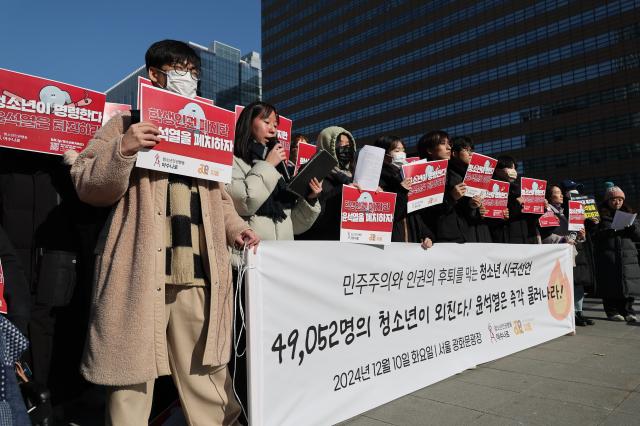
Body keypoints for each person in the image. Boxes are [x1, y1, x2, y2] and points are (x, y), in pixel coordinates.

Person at [66, 39, 259, 425]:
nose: (188, 78)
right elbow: (87, 182)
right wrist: (124, 148)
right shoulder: (123, 124)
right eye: (179, 69)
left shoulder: (202, 131)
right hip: (137, 275)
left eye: (194, 73)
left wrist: (238, 229)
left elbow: (218, 198)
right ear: (154, 75)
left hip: (198, 276)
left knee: (207, 377)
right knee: (129, 382)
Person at [226, 102, 321, 241]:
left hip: (281, 257)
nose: (273, 130)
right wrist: (268, 165)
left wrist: (310, 199)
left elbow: (293, 224)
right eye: (267, 122)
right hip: (250, 252)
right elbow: (244, 203)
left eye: (275, 125)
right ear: (248, 123)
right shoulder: (232, 159)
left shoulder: (280, 168)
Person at [297, 126, 356, 241]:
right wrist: (342, 191)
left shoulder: (353, 176)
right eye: (340, 143)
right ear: (327, 144)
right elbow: (308, 215)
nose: (345, 148)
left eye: (348, 144)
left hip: (346, 243)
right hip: (320, 243)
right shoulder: (313, 170)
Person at [417, 130, 477, 243]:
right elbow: (424, 213)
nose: (449, 147)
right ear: (429, 150)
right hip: (437, 239)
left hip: (463, 236)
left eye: (449, 144)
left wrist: (472, 205)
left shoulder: (454, 174)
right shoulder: (420, 175)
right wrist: (451, 197)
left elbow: (463, 210)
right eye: (443, 143)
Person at [374, 136, 433, 248]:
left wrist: (426, 234)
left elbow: (415, 212)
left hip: (412, 242)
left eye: (403, 150)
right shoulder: (377, 180)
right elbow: (387, 216)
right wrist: (401, 191)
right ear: (384, 154)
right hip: (389, 246)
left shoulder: (405, 177)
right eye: (396, 150)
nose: (401, 153)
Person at [594, 185, 640, 322]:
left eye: (620, 199)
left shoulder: (629, 214)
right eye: (614, 199)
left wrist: (633, 230)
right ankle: (612, 311)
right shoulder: (600, 216)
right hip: (608, 256)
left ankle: (629, 311)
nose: (617, 202)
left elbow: (638, 236)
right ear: (607, 201)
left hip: (627, 256)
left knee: (628, 284)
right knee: (610, 284)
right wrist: (610, 232)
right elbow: (594, 235)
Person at [560, 180, 597, 326]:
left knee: (580, 282)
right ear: (565, 193)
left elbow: (589, 231)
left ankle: (579, 312)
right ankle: (572, 313)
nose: (575, 193)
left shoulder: (583, 206)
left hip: (582, 247)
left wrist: (592, 223)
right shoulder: (562, 209)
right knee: (572, 282)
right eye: (571, 190)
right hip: (569, 246)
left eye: (577, 189)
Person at [489, 155, 541, 244]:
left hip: (523, 238)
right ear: (497, 170)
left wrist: (540, 207)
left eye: (514, 168)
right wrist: (517, 202)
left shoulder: (519, 189)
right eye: (509, 167)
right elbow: (495, 216)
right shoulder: (492, 188)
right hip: (505, 240)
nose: (513, 171)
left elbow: (530, 219)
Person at [450, 136, 492, 242]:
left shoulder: (479, 174)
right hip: (463, 232)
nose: (471, 154)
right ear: (454, 153)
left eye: (471, 150)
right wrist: (470, 205)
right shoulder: (450, 175)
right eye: (466, 150)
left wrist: (483, 209)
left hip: (482, 230)